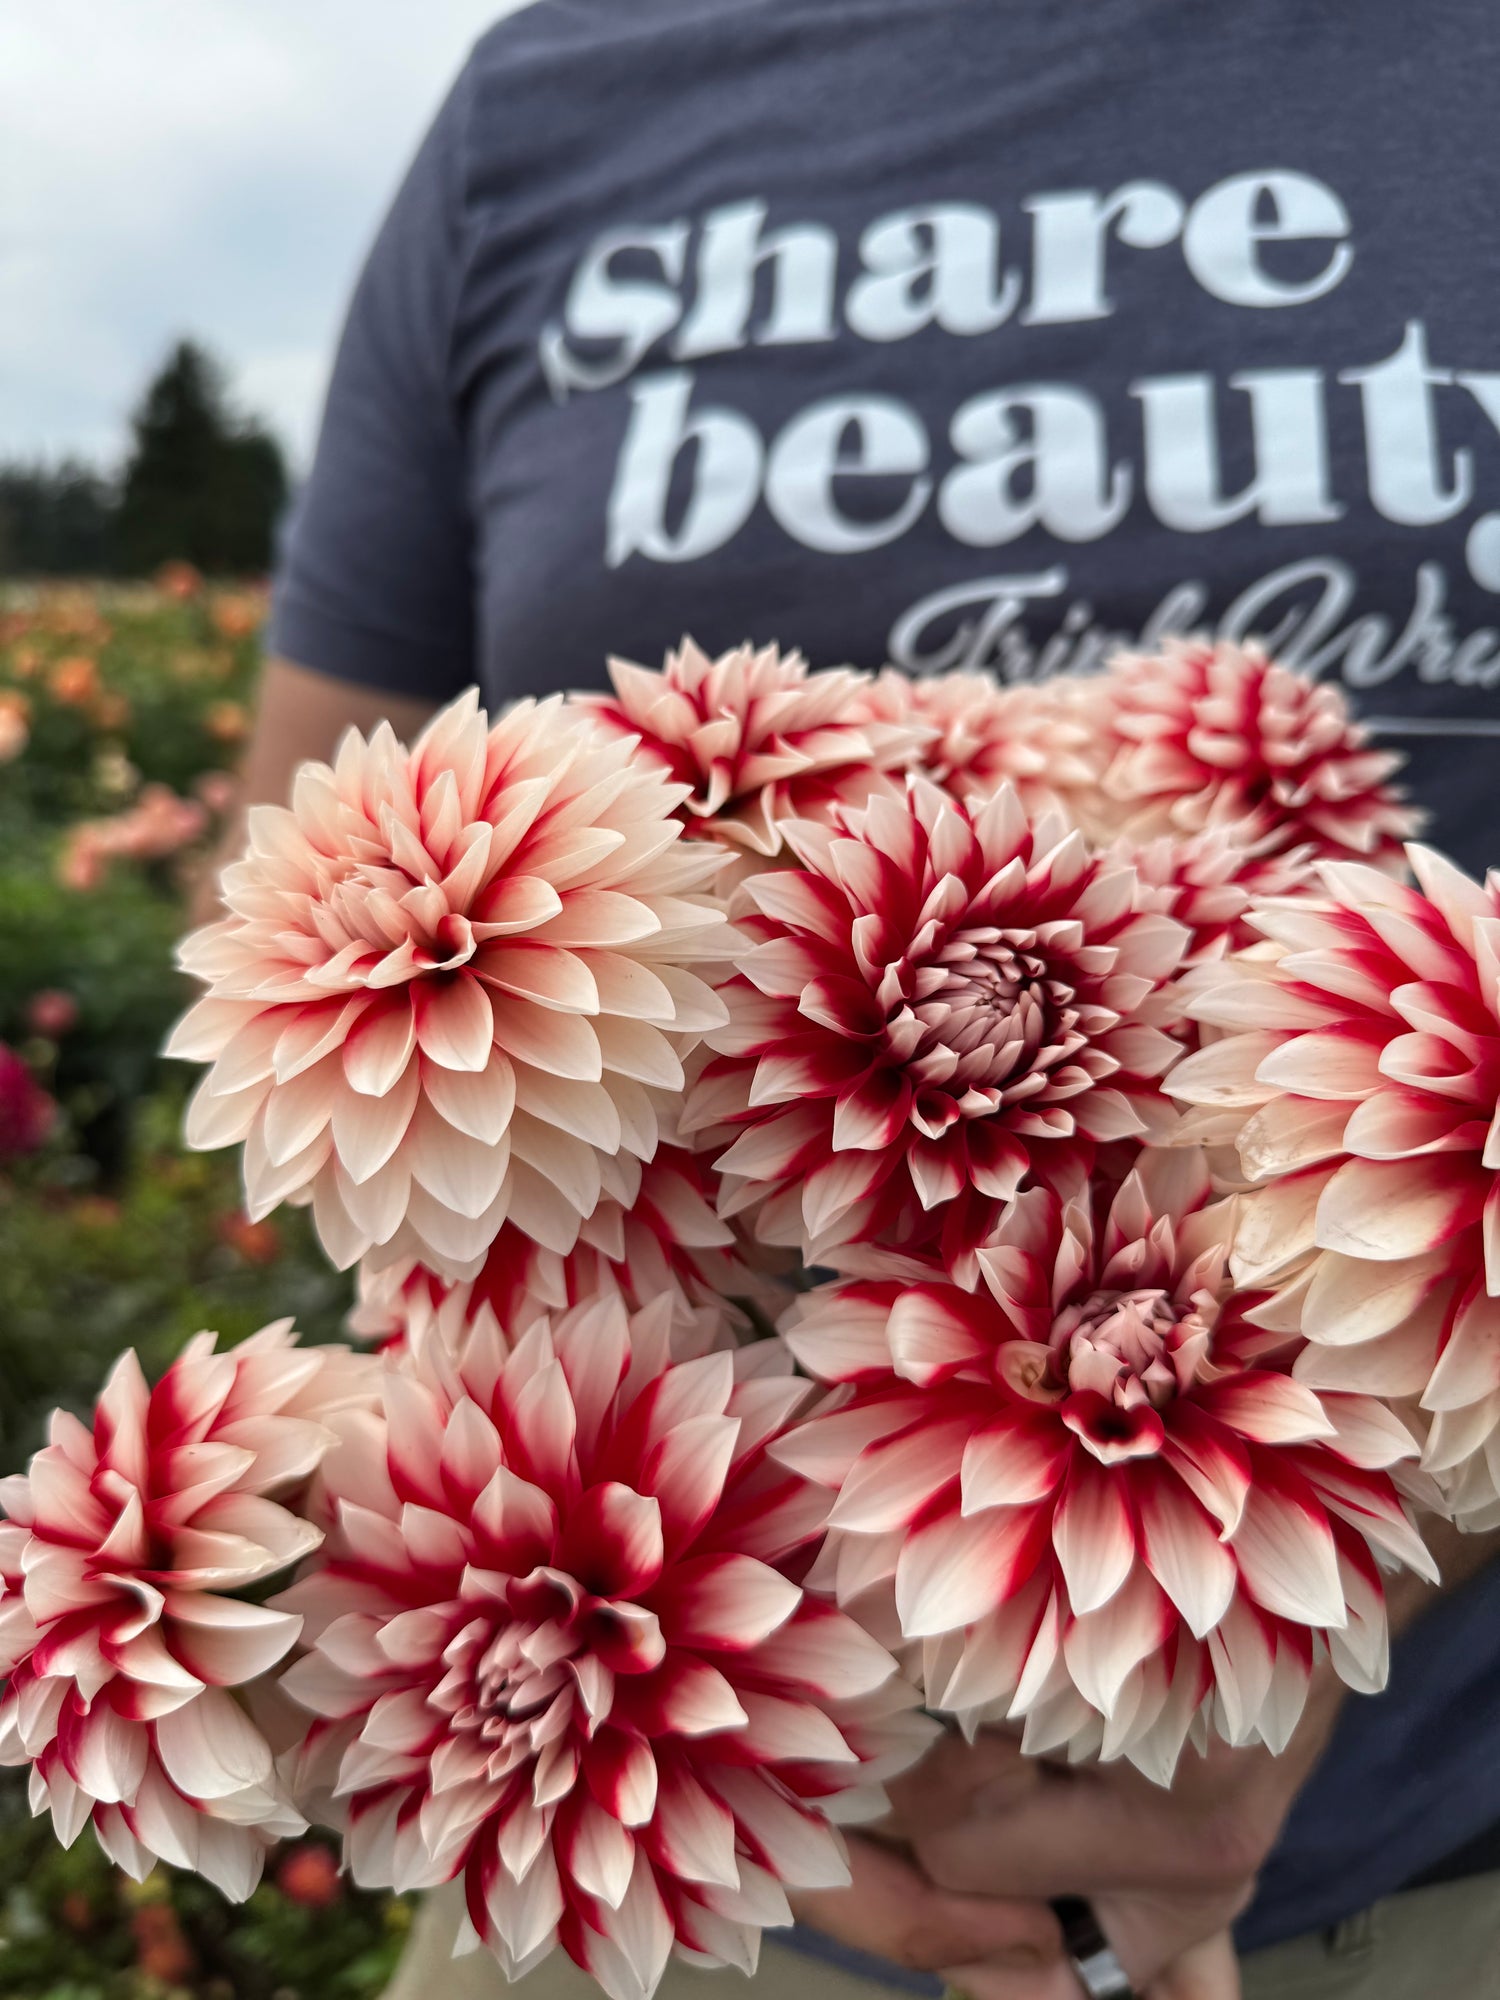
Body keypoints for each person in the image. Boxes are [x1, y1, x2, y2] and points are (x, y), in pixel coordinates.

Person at [232, 4, 1500, 1994]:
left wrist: (1371, 1548)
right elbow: (298, 833)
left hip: (1436, 1871)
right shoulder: (543, 101)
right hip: (675, 1903)